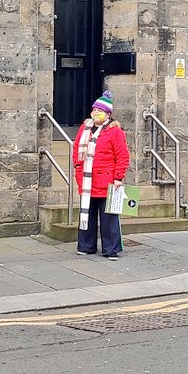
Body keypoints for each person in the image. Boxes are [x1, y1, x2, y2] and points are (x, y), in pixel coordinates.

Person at [71, 90, 130, 261]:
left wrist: (119, 177)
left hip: (107, 180)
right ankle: (86, 246)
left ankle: (111, 249)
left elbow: (122, 155)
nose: (96, 113)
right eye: (94, 109)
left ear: (108, 114)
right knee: (86, 214)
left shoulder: (115, 131)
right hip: (87, 179)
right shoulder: (85, 127)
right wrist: (77, 166)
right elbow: (77, 149)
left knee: (108, 217)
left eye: (100, 111)